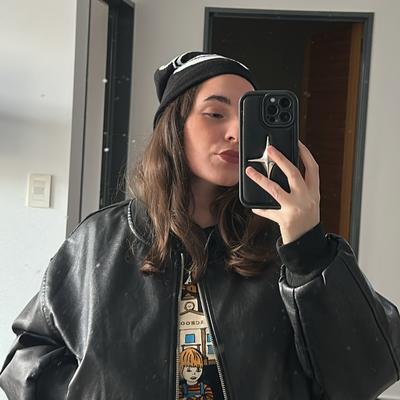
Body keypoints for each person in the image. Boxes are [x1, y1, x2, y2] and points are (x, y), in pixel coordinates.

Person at [0, 51, 399, 400]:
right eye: (215, 113)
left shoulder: (283, 242)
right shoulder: (99, 240)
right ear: (175, 125)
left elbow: (365, 373)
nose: (236, 132)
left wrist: (307, 248)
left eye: (247, 117)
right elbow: (28, 358)